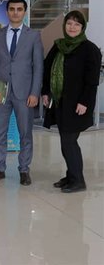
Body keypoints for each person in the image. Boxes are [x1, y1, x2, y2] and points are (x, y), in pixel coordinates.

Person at [0, 0, 43, 186]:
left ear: (24, 12)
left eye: (19, 9)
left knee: (25, 133)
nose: (15, 12)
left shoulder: (33, 36)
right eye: (12, 9)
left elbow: (38, 67)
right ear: (7, 11)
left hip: (25, 93)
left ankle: (24, 170)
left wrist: (35, 93)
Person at [42, 11, 101, 193]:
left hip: (78, 104)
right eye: (69, 23)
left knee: (69, 141)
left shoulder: (90, 49)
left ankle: (78, 181)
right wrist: (45, 92)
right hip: (60, 102)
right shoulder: (59, 46)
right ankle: (71, 176)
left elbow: (92, 81)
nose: (72, 27)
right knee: (66, 140)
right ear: (64, 25)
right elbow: (47, 69)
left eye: (77, 24)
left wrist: (84, 102)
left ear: (82, 27)